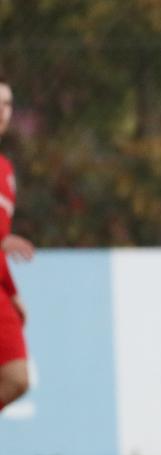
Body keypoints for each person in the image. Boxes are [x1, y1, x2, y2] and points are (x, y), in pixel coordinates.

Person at [0, 76, 35, 414]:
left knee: (16, 377)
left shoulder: (6, 171)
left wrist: (11, 292)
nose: (2, 110)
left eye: (7, 103)